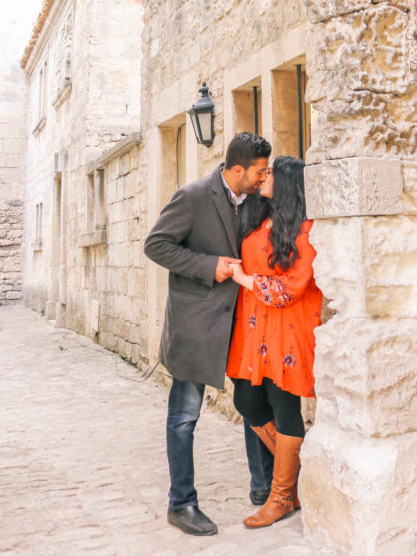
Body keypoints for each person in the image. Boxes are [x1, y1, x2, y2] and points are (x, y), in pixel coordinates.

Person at [144, 131, 271, 537]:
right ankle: (181, 504)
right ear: (237, 169)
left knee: (254, 406)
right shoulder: (193, 195)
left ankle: (264, 488)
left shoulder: (256, 200)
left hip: (242, 325)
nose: (262, 178)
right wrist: (208, 265)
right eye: (258, 172)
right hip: (196, 327)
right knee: (184, 416)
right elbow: (156, 245)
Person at [227, 155, 322, 529]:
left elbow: (292, 288)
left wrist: (245, 281)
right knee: (246, 398)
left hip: (288, 329)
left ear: (286, 182)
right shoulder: (262, 218)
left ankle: (282, 496)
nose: (263, 177)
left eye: (270, 173)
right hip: (257, 329)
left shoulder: (306, 230)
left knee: (285, 407)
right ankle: (295, 483)